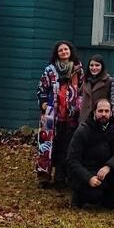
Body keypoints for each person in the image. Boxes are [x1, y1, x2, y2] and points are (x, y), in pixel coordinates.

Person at [66, 98, 114, 209]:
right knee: (95, 196)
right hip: (86, 172)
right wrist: (88, 178)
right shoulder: (83, 130)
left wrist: (108, 166)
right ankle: (79, 198)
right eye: (100, 111)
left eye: (106, 111)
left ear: (111, 113)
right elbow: (72, 160)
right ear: (94, 112)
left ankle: (109, 201)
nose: (103, 114)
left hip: (104, 171)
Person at [35, 41, 83, 187]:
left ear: (70, 51)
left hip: (71, 114)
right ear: (57, 53)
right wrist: (43, 103)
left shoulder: (78, 69)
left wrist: (78, 106)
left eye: (66, 49)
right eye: (60, 50)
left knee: (67, 146)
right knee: (47, 145)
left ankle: (62, 177)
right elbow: (41, 89)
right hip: (51, 114)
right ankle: (44, 177)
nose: (63, 52)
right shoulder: (50, 70)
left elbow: (81, 89)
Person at [79, 56, 112, 124]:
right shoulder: (85, 80)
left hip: (101, 119)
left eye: (97, 65)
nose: (94, 68)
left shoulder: (109, 81)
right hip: (84, 120)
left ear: (102, 66)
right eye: (91, 65)